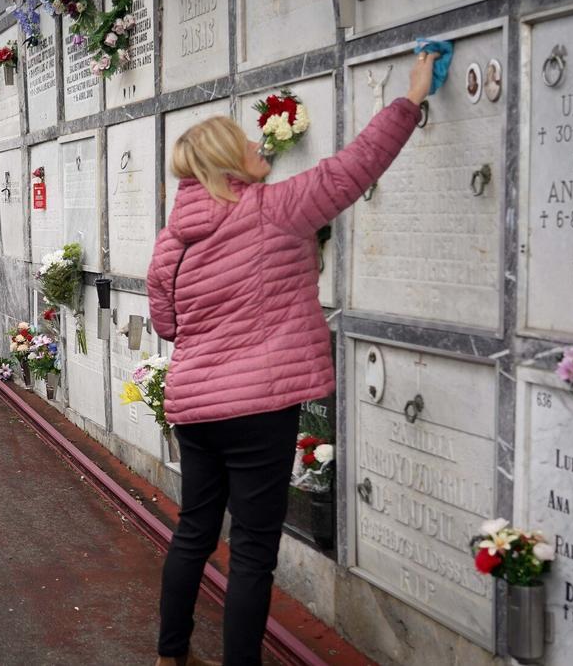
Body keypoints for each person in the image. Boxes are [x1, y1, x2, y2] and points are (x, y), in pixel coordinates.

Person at [145, 52, 437, 666]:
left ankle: (170, 655)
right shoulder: (274, 211)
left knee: (194, 531)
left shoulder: (169, 242)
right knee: (253, 551)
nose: (258, 143)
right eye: (244, 142)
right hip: (260, 411)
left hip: (196, 411)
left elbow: (166, 325)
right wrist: (409, 98)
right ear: (228, 162)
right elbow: (353, 168)